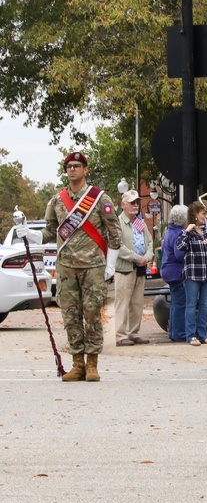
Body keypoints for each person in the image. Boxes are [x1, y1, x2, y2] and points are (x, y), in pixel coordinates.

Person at [36, 152, 122, 382]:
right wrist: (32, 236)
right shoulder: (56, 200)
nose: (72, 169)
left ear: (85, 170)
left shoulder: (99, 198)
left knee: (92, 314)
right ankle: (77, 364)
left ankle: (92, 364)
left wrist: (110, 265)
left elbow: (115, 233)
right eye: (69, 166)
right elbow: (50, 230)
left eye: (77, 166)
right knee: (71, 315)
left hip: (94, 266)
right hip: (66, 268)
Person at [176, 201, 207, 346]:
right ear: (195, 214)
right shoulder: (188, 232)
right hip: (193, 273)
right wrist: (187, 231)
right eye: (203, 213)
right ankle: (191, 335)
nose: (206, 216)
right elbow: (180, 246)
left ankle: (203, 334)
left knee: (205, 304)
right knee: (191, 304)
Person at [114, 189, 154, 347]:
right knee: (123, 302)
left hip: (140, 267)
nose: (135, 205)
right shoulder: (118, 222)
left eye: (137, 202)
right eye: (132, 202)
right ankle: (120, 334)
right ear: (123, 205)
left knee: (137, 302)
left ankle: (133, 333)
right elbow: (118, 246)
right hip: (125, 268)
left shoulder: (140, 222)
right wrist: (137, 258)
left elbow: (150, 242)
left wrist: (147, 257)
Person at [160, 205, 189, 342]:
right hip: (176, 272)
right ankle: (178, 332)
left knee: (175, 302)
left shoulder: (169, 231)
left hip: (168, 271)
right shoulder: (179, 233)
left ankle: (173, 331)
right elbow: (179, 254)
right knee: (180, 302)